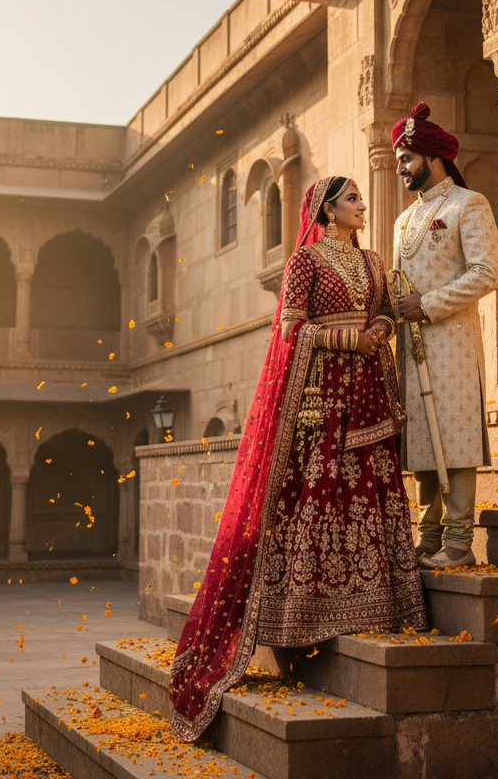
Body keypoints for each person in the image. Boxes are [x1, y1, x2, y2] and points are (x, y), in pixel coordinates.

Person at [169, 176, 428, 742]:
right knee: (320, 490)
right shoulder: (305, 262)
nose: (362, 206)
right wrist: (346, 342)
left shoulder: (375, 259)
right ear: (329, 210)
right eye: (353, 200)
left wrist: (379, 329)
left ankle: (378, 599)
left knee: (373, 485)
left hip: (367, 394)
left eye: (362, 198)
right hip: (319, 397)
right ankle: (308, 606)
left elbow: (386, 309)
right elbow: (290, 327)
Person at [392, 102, 498, 569]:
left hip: (451, 341)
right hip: (410, 347)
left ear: (432, 157)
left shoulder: (467, 204)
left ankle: (459, 542)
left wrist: (428, 305)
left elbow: (486, 273)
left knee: (453, 437)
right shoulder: (403, 220)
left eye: (406, 159)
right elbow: (399, 280)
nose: (400, 168)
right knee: (419, 439)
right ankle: (428, 538)